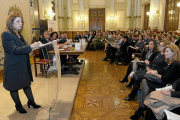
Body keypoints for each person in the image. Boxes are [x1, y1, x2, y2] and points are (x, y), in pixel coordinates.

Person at [1, 13, 41, 114]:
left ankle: (31, 102)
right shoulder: (7, 34)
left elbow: (24, 47)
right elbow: (15, 50)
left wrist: (35, 46)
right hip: (13, 66)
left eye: (21, 21)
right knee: (14, 87)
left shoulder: (19, 34)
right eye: (18, 21)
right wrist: (31, 47)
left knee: (26, 84)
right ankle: (18, 106)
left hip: (22, 65)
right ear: (11, 23)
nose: (21, 24)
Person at [129, 44, 180, 120]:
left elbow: (166, 78)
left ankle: (141, 108)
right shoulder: (170, 62)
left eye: (167, 51)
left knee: (145, 82)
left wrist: (155, 73)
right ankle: (141, 108)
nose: (164, 53)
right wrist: (154, 71)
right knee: (144, 81)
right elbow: (162, 71)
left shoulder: (176, 64)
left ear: (174, 53)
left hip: (166, 84)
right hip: (165, 82)